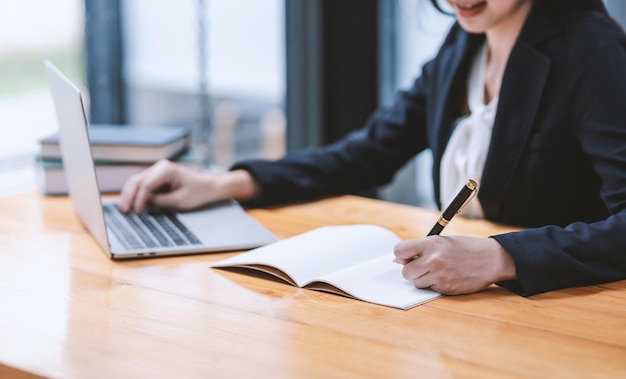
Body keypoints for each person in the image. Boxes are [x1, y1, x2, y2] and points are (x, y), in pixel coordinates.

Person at [119, 0, 626, 297]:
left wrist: (501, 256)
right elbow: (366, 153)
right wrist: (224, 182)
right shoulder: (466, 40)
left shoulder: (592, 51)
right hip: (463, 308)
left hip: (557, 310)